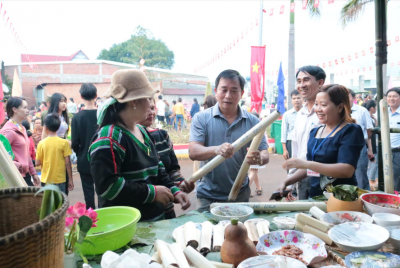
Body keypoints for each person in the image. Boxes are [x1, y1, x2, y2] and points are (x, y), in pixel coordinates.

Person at [89, 69, 190, 221]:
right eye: (148, 98)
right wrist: (152, 193)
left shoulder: (143, 131)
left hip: (153, 222)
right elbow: (108, 187)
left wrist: (174, 190)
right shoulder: (109, 138)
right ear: (134, 102)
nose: (151, 104)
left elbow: (159, 168)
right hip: (126, 227)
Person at [189, 69, 269, 212]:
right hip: (208, 196)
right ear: (215, 91)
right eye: (224, 90)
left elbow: (265, 153)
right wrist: (215, 149)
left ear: (242, 93)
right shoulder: (201, 118)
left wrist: (260, 158)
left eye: (234, 91)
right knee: (208, 233)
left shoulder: (253, 122)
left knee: (239, 233)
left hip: (240, 193)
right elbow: (193, 151)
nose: (228, 96)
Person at [277, 84, 365, 198]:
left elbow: (347, 170)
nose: (317, 109)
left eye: (323, 105)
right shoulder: (315, 131)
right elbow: (309, 167)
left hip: (341, 198)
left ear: (340, 107)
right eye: (316, 104)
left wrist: (306, 163)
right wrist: (287, 182)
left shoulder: (350, 130)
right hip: (316, 196)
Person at [139, 98, 195, 219]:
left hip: (166, 209)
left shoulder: (162, 135)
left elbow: (172, 169)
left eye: (153, 108)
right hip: (141, 214)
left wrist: (181, 184)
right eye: (146, 108)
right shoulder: (126, 140)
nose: (151, 112)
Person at [286, 66, 326, 200]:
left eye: (306, 80)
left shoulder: (327, 113)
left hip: (324, 177)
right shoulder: (300, 115)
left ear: (320, 83)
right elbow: (296, 149)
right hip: (302, 176)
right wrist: (290, 181)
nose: (301, 85)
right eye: (299, 81)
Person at [71, 83, 100, 210]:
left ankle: (91, 218)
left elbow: (75, 142)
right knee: (102, 191)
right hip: (102, 158)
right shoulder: (102, 115)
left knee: (88, 193)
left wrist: (80, 153)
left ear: (81, 96)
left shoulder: (77, 117)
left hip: (84, 158)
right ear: (96, 96)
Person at [0, 97, 40, 186]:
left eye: (27, 107)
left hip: (25, 175)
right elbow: (1, 156)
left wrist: (33, 173)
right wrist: (18, 165)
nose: (27, 110)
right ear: (15, 109)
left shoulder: (22, 128)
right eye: (24, 107)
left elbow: (26, 154)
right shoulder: (9, 131)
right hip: (15, 176)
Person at [36, 113, 73, 193]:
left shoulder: (41, 143)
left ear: (45, 128)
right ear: (58, 127)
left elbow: (37, 163)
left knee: (48, 203)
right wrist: (70, 179)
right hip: (60, 179)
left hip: (46, 179)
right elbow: (68, 163)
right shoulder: (64, 143)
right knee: (61, 201)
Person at [42, 93, 71, 194]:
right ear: (55, 102)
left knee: (64, 174)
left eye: (65, 101)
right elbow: (44, 137)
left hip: (63, 149)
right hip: (55, 150)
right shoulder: (50, 117)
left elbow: (63, 134)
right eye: (61, 101)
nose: (64, 104)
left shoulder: (62, 116)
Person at [348, 89, 373, 190]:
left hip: (358, 146)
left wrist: (369, 148)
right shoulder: (338, 110)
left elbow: (369, 129)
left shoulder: (362, 111)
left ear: (353, 98)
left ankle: (363, 199)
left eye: (348, 97)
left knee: (360, 174)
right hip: (342, 146)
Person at [248, 111, 267, 197]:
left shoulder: (247, 127)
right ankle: (245, 189)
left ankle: (258, 188)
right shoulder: (260, 127)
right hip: (257, 152)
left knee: (255, 170)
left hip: (250, 151)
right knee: (253, 171)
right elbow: (265, 142)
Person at [281, 90, 303, 161]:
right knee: (291, 166)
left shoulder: (307, 113)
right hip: (291, 142)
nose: (296, 100)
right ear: (291, 100)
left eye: (298, 98)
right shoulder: (287, 115)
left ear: (303, 99)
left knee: (304, 165)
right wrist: (285, 150)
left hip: (303, 142)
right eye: (294, 98)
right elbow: (283, 133)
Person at [387, 88, 400, 191]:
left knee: (397, 178)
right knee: (387, 177)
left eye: (395, 96)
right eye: (389, 96)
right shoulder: (383, 112)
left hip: (398, 151)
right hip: (386, 151)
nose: (392, 99)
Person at [365, 100, 378, 189]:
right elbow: (369, 133)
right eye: (375, 107)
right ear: (372, 108)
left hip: (372, 143)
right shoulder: (367, 117)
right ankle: (370, 179)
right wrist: (370, 148)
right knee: (373, 162)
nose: (376, 109)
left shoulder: (371, 117)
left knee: (373, 163)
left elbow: (376, 129)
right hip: (369, 144)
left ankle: (371, 179)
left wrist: (375, 119)